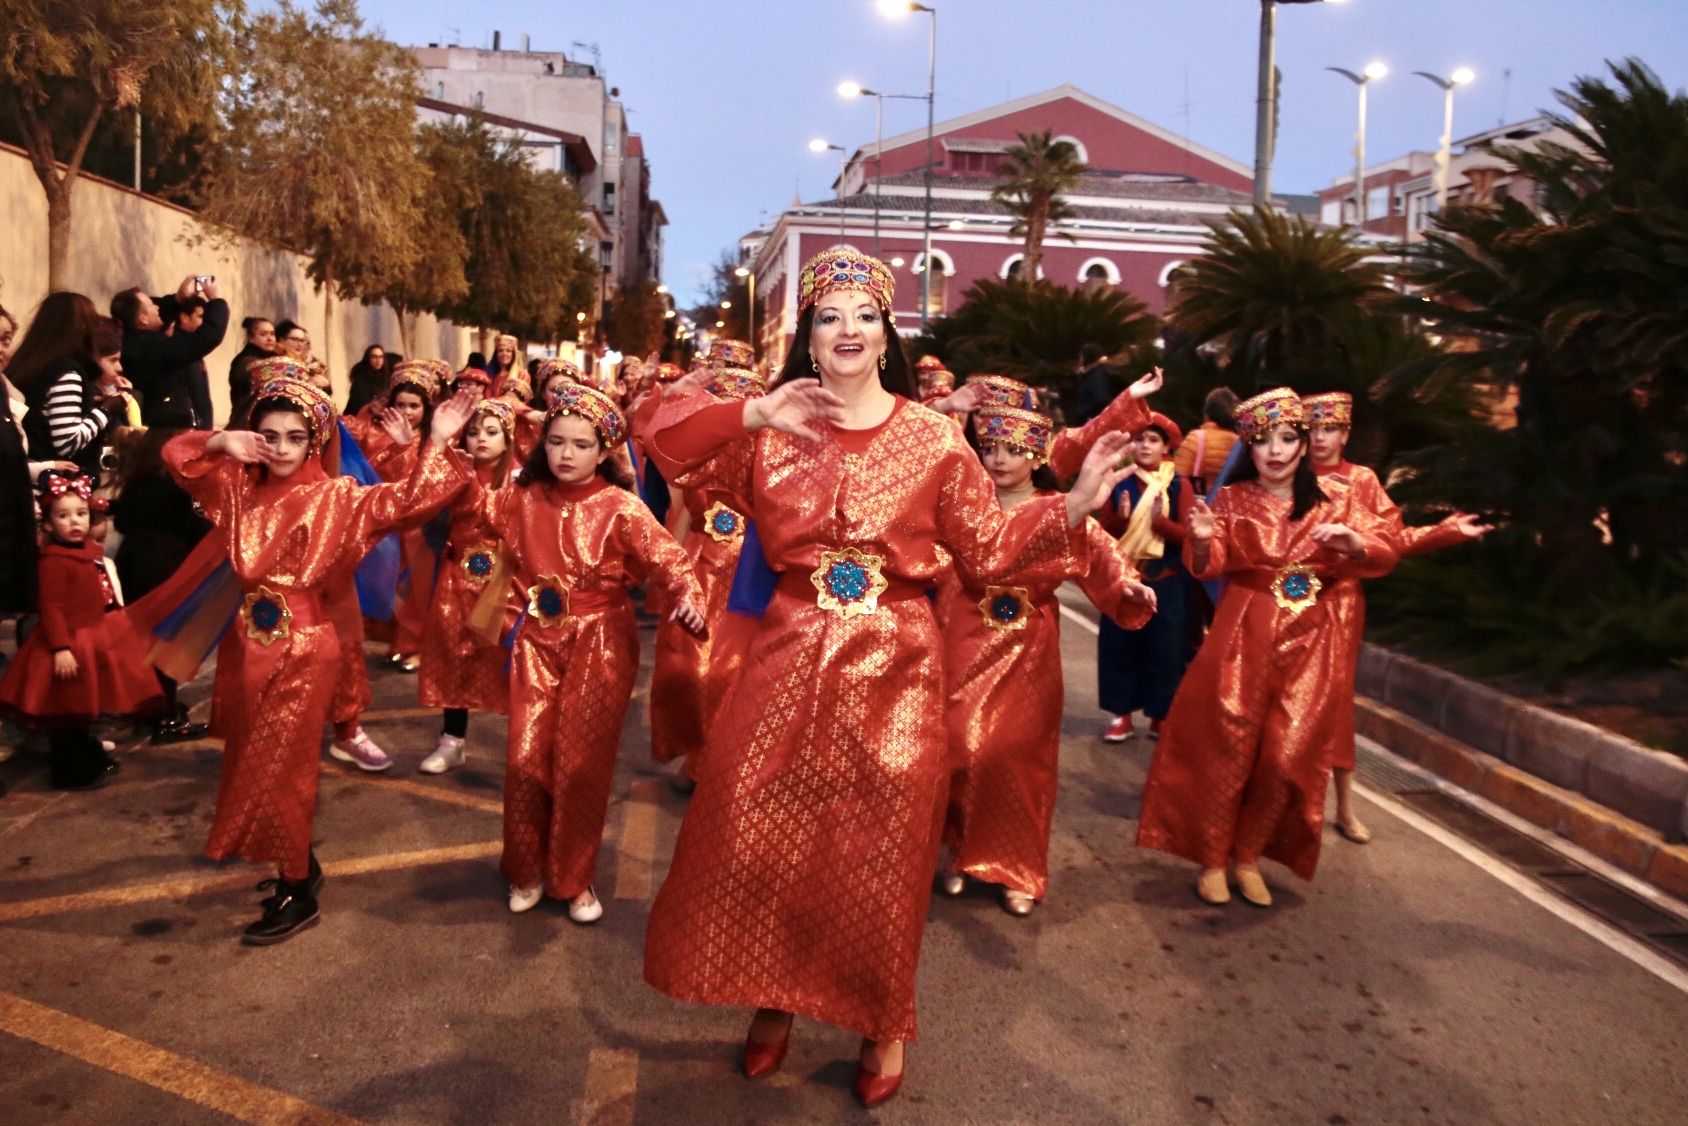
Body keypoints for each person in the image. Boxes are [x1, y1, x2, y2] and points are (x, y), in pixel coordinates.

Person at [640, 247, 1136, 1108]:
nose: (847, 330)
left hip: (898, 669)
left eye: (863, 314)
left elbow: (988, 553)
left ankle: (882, 1021)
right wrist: (753, 411)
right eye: (828, 315)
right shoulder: (773, 430)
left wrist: (1076, 505)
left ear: (887, 331)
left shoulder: (934, 438)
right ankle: (773, 1000)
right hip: (788, 659)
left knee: (883, 854)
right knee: (762, 835)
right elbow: (662, 437)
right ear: (809, 334)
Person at [159, 367, 473, 944]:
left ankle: (296, 887)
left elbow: (411, 500)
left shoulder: (336, 498)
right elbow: (176, 458)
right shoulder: (237, 488)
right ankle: (300, 861)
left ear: (316, 440)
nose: (279, 448)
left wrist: (438, 441)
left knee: (286, 768)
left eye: (294, 437)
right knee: (257, 760)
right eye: (268, 435)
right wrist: (217, 441)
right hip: (249, 644)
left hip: (305, 649)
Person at [1135, 388, 1400, 908]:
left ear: (1303, 445)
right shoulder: (1232, 499)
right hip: (1243, 631)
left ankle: (1250, 855)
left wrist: (1358, 545)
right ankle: (1213, 857)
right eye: (1263, 442)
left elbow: (1387, 548)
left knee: (1287, 753)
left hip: (1311, 636)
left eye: (1287, 439)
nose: (1276, 451)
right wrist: (1207, 539)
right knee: (1228, 745)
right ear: (1248, 449)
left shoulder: (1338, 497)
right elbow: (1206, 567)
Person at [478, 384, 704, 920]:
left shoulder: (620, 507)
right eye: (556, 442)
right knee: (526, 753)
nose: (566, 454)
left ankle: (575, 878)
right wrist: (445, 449)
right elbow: (471, 510)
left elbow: (670, 560)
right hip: (537, 635)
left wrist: (689, 598)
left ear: (604, 451)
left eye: (581, 445)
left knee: (582, 761)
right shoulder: (522, 499)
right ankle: (526, 868)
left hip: (601, 639)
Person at [937, 402, 1155, 916]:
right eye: (989, 446)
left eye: (1013, 449)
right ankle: (958, 851)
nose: (998, 459)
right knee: (962, 750)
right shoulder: (964, 503)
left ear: (1036, 454)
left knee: (1021, 758)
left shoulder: (1062, 506)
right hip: (964, 636)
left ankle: (1019, 868)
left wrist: (1128, 585)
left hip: (1028, 647)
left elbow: (1102, 554)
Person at [1302, 391, 1490, 844]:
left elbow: (1392, 537)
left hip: (1340, 602)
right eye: (1312, 429)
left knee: (1334, 700)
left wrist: (1444, 533)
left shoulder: (1361, 480)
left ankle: (1344, 807)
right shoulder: (1285, 473)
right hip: (1287, 595)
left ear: (1346, 433)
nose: (1320, 438)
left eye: (1330, 429)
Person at [0, 473, 163, 787]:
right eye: (63, 516)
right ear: (47, 524)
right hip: (70, 642)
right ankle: (71, 769)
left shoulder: (88, 550)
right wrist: (61, 647)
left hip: (97, 633)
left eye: (81, 514)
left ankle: (88, 755)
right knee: (69, 710)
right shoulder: (53, 560)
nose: (74, 522)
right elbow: (52, 607)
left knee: (87, 707)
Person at [646, 359, 764, 783]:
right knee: (688, 666)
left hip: (748, 571)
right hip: (699, 563)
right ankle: (696, 749)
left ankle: (718, 764)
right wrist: (673, 395)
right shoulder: (696, 456)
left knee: (734, 670)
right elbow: (657, 452)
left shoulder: (768, 459)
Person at [415, 398, 521, 774]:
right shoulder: (454, 469)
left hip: (507, 580)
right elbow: (417, 496)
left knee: (511, 662)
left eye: (491, 432)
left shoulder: (522, 480)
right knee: (453, 655)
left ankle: (526, 742)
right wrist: (433, 444)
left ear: (508, 439)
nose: (481, 439)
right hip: (456, 577)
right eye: (473, 431)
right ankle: (452, 740)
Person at [108, 428, 215, 744]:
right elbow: (194, 527)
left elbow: (123, 522)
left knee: (146, 643)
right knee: (167, 643)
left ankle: (153, 707)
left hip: (134, 564)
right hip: (168, 568)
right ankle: (166, 718)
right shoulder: (175, 483)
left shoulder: (136, 482)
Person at [1097, 412, 1197, 743]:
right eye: (1139, 439)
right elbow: (1099, 533)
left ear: (1166, 446)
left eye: (1153, 440)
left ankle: (1161, 716)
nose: (1144, 446)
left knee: (1167, 650)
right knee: (1119, 646)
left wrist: (1161, 525)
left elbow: (1189, 535)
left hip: (1167, 577)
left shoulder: (1179, 485)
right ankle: (1121, 715)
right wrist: (1122, 521)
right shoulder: (1119, 480)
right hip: (1126, 576)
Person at [10, 299, 127, 478]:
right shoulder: (66, 372)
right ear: (81, 328)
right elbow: (68, 442)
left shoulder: (28, 362)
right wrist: (106, 410)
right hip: (52, 482)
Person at [111, 277, 229, 429]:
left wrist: (177, 299)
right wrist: (217, 301)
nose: (157, 307)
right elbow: (205, 339)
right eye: (152, 305)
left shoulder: (134, 342)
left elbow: (160, 312)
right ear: (143, 319)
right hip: (166, 429)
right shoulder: (150, 347)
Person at [1173, 387, 1241, 496]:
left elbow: (1177, 479)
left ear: (1207, 415)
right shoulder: (1241, 444)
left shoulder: (1196, 438)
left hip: (1197, 506)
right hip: (1228, 507)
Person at [228, 317, 278, 422]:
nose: (270, 338)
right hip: (247, 421)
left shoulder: (272, 358)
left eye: (272, 334)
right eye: (263, 334)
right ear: (251, 338)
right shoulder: (248, 361)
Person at [1071, 343, 1114, 424]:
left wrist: (1082, 413)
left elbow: (1102, 399)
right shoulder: (1092, 374)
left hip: (1098, 421)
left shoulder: (1097, 375)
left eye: (1081, 357)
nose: (1080, 360)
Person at [344, 344, 389, 417]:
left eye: (381, 357)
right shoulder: (360, 381)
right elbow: (359, 407)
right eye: (374, 357)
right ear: (368, 359)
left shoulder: (385, 379)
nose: (378, 360)